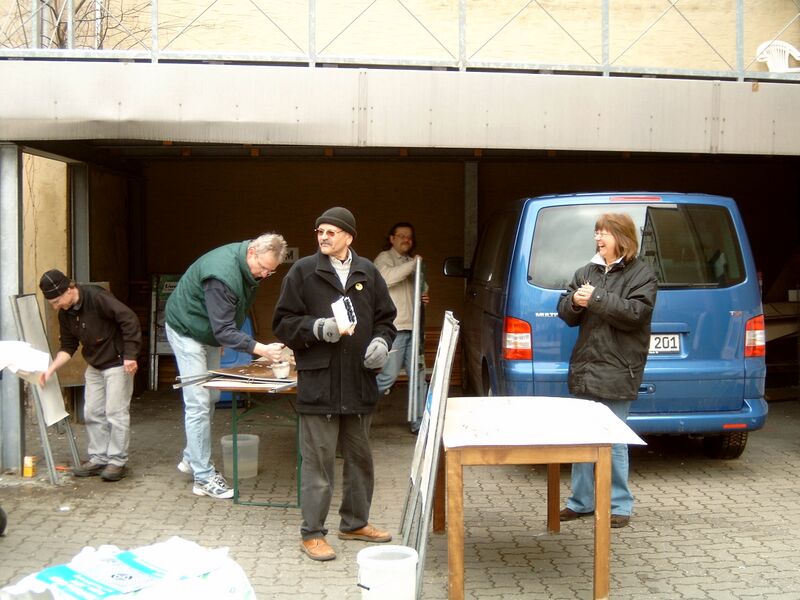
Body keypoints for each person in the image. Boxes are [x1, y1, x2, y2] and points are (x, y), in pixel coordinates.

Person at [272, 207, 397, 562]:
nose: (323, 237)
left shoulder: (368, 272)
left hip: (358, 383)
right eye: (319, 232)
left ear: (348, 237)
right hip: (320, 385)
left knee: (360, 460)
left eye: (330, 232)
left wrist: (382, 343)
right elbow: (283, 322)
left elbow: (387, 319)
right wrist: (317, 329)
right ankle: (312, 533)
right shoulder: (303, 272)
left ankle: (355, 523)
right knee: (318, 465)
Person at [165, 233, 288, 500]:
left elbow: (228, 318)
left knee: (212, 394)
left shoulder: (247, 265)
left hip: (207, 330)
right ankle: (203, 477)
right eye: (263, 268)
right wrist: (262, 349)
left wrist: (223, 337)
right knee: (198, 402)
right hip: (186, 330)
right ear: (252, 253)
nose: (265, 275)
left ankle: (191, 457)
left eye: (271, 271)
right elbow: (224, 330)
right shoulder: (221, 275)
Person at [556, 213, 657, 529]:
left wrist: (596, 297)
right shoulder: (586, 271)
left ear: (622, 237)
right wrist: (574, 300)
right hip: (587, 367)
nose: (599, 238)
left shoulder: (642, 274)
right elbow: (566, 313)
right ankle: (581, 502)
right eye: (597, 232)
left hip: (618, 367)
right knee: (582, 437)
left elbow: (635, 314)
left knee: (613, 440)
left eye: (605, 233)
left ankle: (620, 506)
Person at [38, 269, 142, 482]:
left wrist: (131, 355)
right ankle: (98, 457)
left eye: (58, 301)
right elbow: (68, 346)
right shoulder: (65, 313)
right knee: (92, 411)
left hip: (117, 362)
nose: (57, 306)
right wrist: (51, 369)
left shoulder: (97, 297)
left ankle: (117, 462)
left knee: (115, 412)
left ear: (70, 289)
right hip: (95, 365)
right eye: (53, 304)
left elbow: (129, 319)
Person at [373, 222, 430, 433]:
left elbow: (421, 287)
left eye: (409, 237)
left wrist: (424, 293)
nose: (407, 240)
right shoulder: (384, 259)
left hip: (414, 328)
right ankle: (358, 408)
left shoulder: (409, 261)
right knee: (388, 376)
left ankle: (419, 423)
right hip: (394, 329)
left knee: (418, 377)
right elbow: (386, 279)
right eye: (402, 236)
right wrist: (415, 264)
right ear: (392, 239)